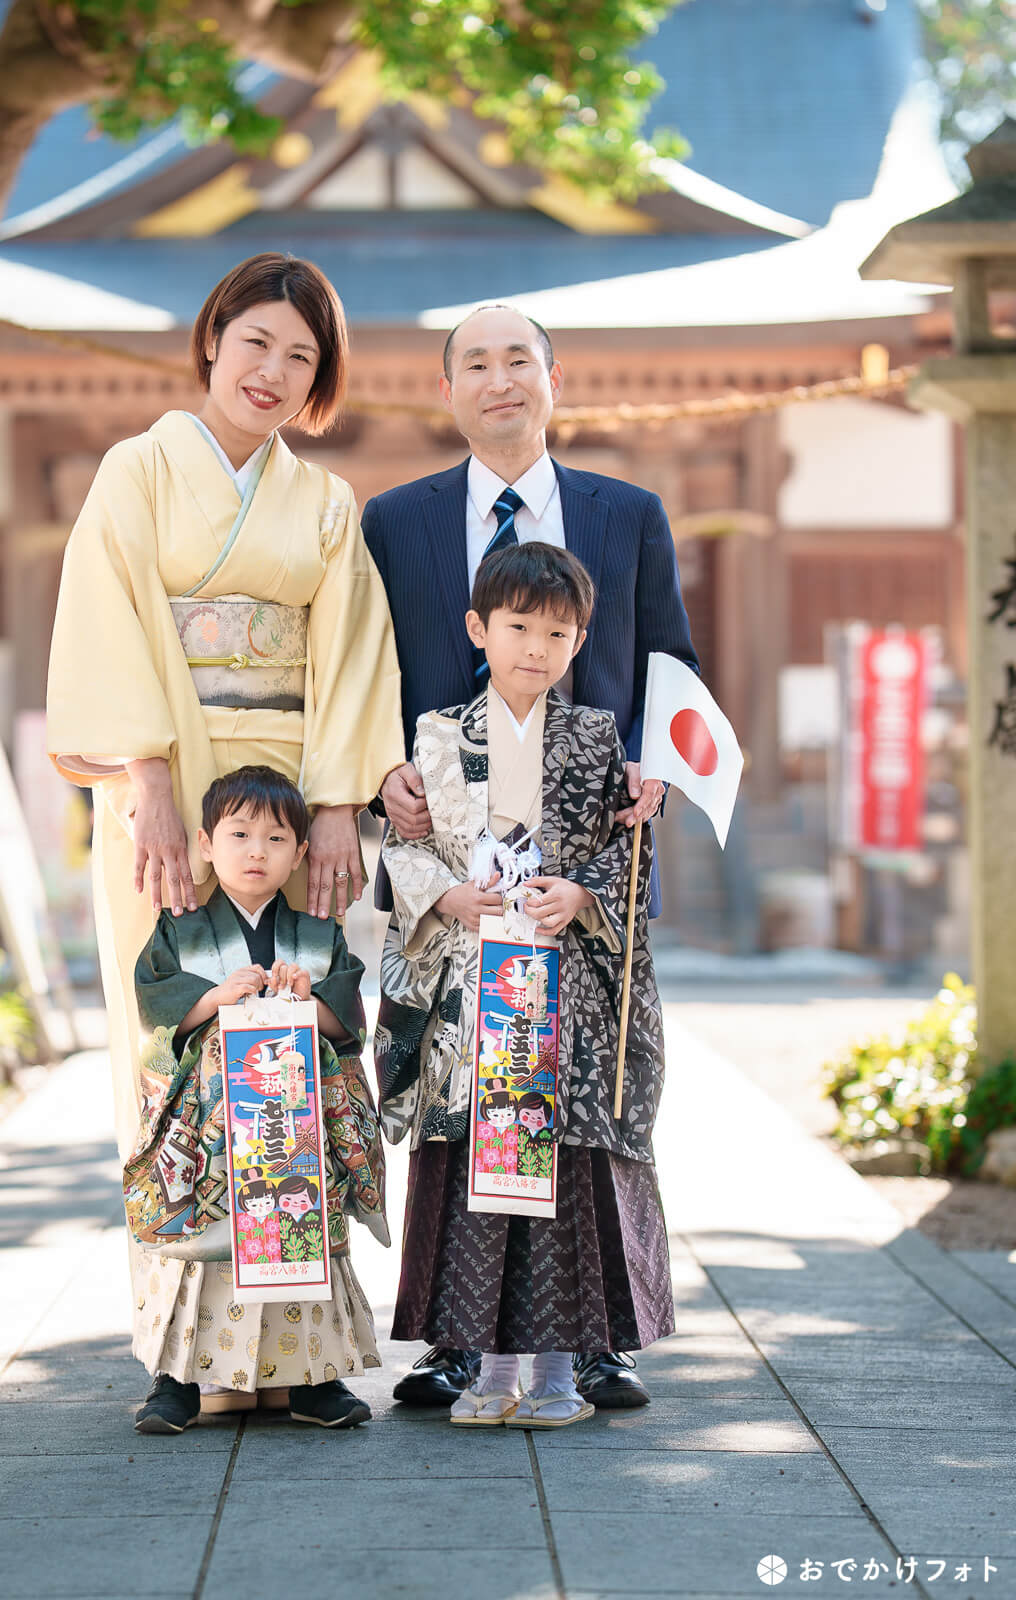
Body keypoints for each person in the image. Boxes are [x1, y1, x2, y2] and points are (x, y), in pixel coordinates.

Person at [46, 254, 404, 1419]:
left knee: (291, 1050)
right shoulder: (137, 471)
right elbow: (108, 620)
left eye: (300, 357)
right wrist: (145, 774)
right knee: (177, 1056)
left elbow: (351, 652)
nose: (273, 370)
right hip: (165, 791)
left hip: (288, 802)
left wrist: (341, 805)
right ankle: (181, 1352)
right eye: (255, 342)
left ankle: (294, 1353)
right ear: (211, 339)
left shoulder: (324, 504)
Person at [362, 302, 696, 1411]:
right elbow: (370, 672)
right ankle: (458, 1339)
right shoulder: (395, 520)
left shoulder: (627, 512)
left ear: (552, 378)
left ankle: (597, 1333)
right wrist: (380, 775)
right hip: (452, 849)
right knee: (464, 1091)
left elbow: (666, 668)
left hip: (583, 862)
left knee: (583, 1101)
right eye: (474, 362)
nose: (499, 379)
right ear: (445, 388)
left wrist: (651, 769)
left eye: (519, 360)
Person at [376, 541, 674, 1428]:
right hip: (475, 993)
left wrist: (583, 892)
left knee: (559, 1182)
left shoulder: (596, 736)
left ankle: (553, 1378)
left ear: (581, 640)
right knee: (483, 1170)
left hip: (564, 992)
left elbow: (621, 847)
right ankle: (486, 1374)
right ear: (479, 629)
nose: (536, 647)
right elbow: (407, 851)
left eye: (557, 631)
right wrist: (446, 893)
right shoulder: (436, 735)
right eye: (517, 627)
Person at [126, 766, 388, 1432]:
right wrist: (212, 1000)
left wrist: (310, 1003)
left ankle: (312, 1379)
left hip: (289, 1125)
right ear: (205, 844)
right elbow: (158, 1015)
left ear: (301, 853)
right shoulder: (180, 928)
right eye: (238, 834)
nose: (255, 851)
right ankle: (179, 1379)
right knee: (202, 1247)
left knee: (298, 1224)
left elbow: (347, 1025)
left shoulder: (316, 934)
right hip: (210, 1133)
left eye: (275, 839)